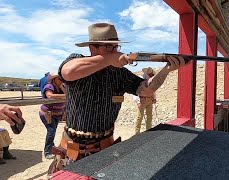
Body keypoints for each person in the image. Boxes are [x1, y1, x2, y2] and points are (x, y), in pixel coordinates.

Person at [56, 22, 187, 162]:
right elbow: (68, 72)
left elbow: (145, 91)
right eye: (108, 46)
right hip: (72, 149)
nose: (114, 50)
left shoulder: (119, 73)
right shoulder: (77, 60)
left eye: (115, 46)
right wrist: (110, 59)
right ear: (92, 47)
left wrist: (166, 70)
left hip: (106, 147)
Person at [39, 73, 66, 159]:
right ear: (54, 79)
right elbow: (49, 95)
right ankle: (47, 151)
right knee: (51, 131)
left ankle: (51, 146)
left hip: (56, 114)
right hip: (47, 114)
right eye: (59, 79)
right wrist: (65, 95)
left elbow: (68, 94)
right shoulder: (49, 86)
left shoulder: (61, 86)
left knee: (52, 131)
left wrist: (62, 87)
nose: (61, 80)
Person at [133, 67, 157, 134]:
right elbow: (135, 90)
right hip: (142, 100)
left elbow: (153, 90)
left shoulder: (151, 79)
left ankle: (148, 131)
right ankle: (137, 133)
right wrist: (137, 101)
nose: (151, 73)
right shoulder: (140, 78)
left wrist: (154, 98)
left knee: (149, 116)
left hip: (149, 99)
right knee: (140, 117)